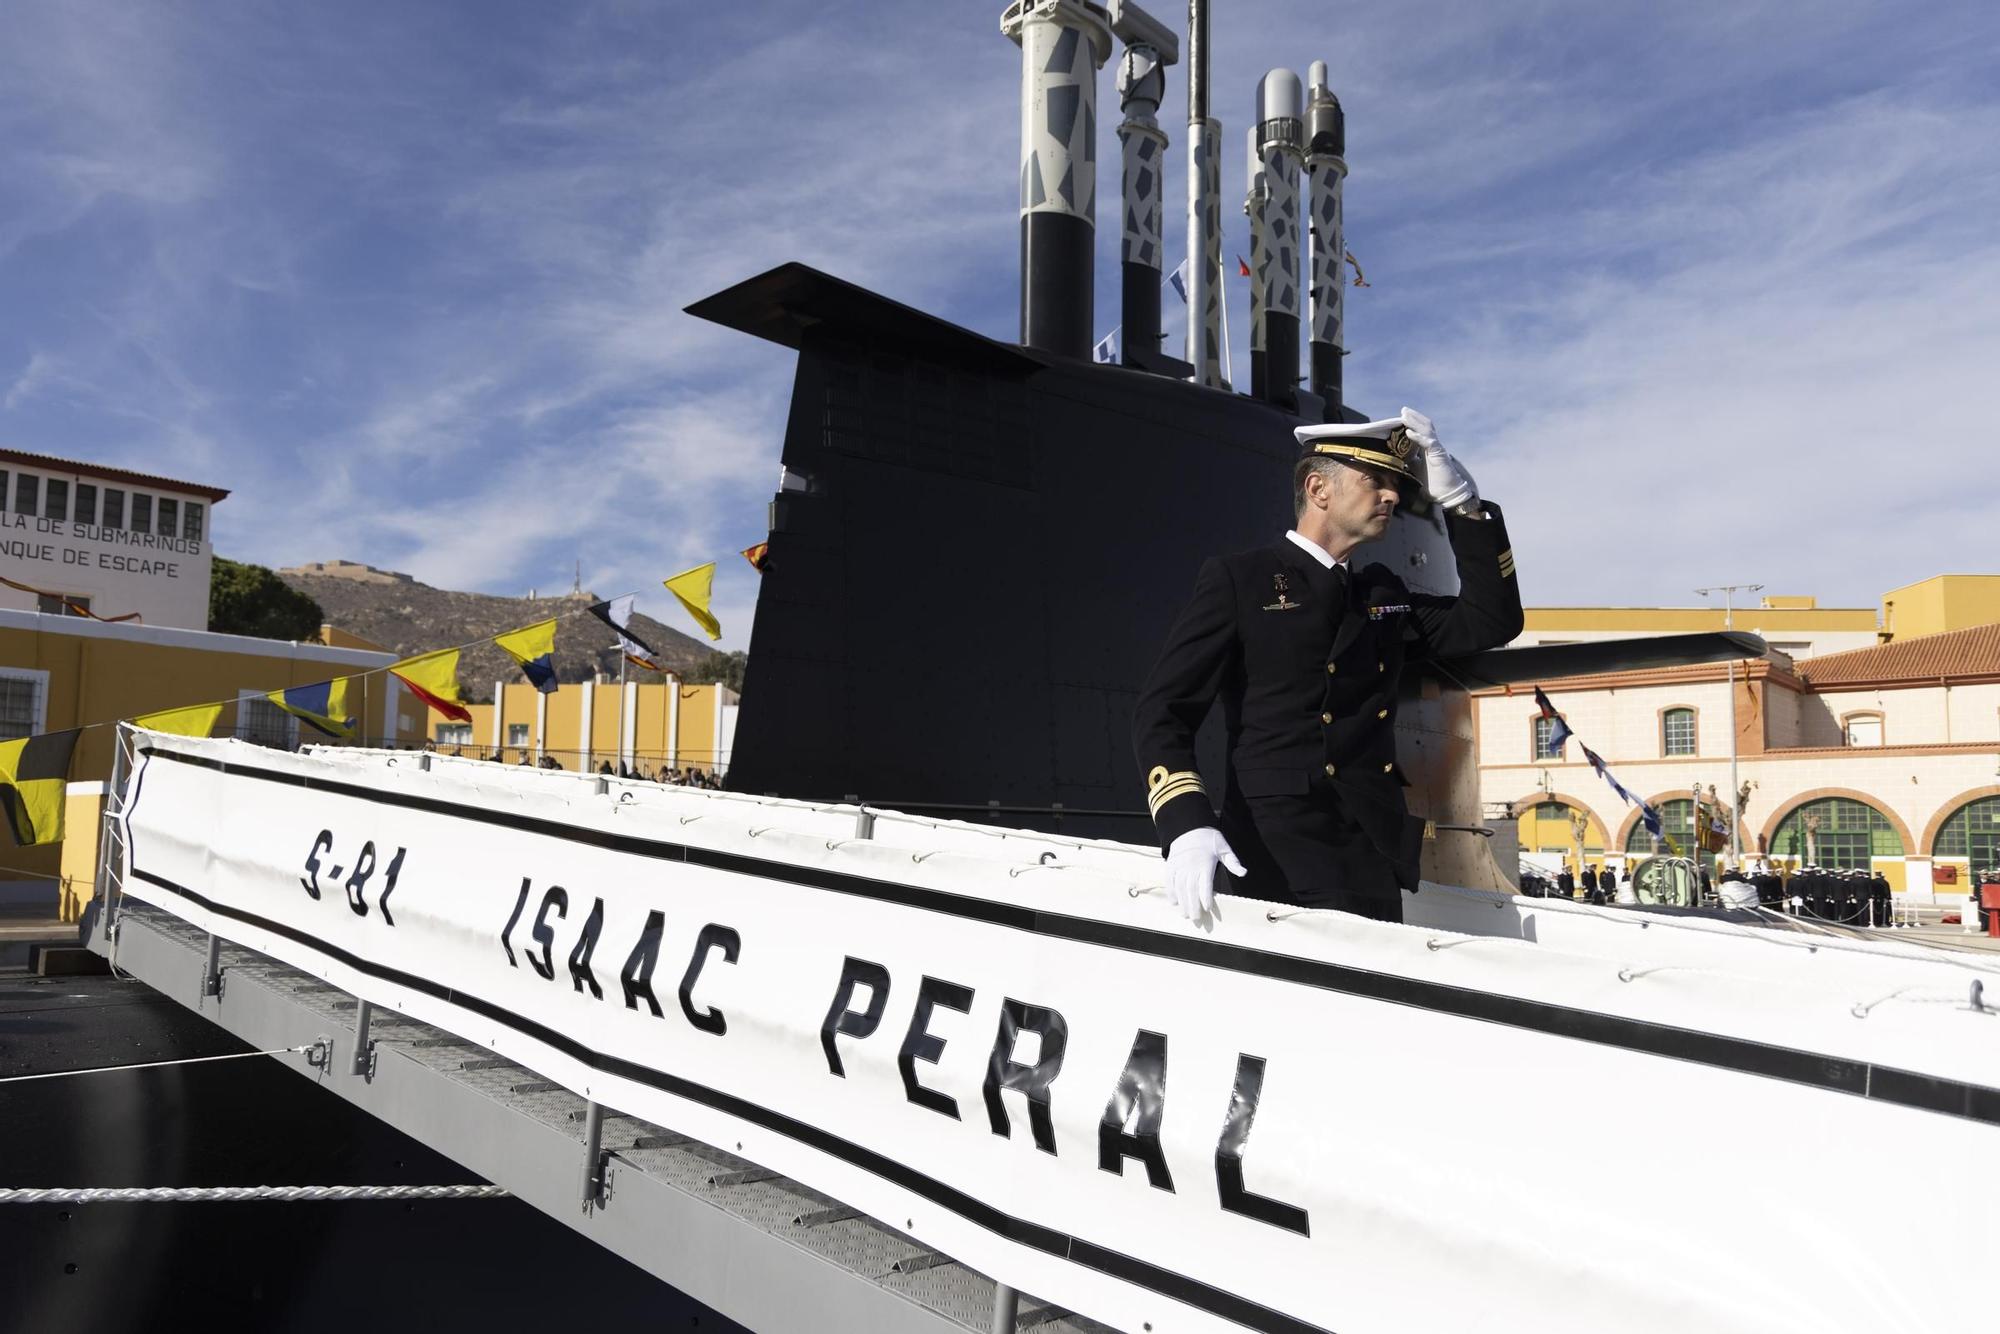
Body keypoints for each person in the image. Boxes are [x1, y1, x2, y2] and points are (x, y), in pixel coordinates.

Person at [1133, 408, 1523, 925]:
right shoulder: (1243, 581)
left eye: (1396, 486)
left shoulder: (1380, 594)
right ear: (1319, 489)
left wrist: (1463, 505)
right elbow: (1163, 712)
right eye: (1375, 481)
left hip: (1370, 854)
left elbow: (1490, 621)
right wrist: (1185, 823)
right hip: (1277, 853)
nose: (1392, 496)